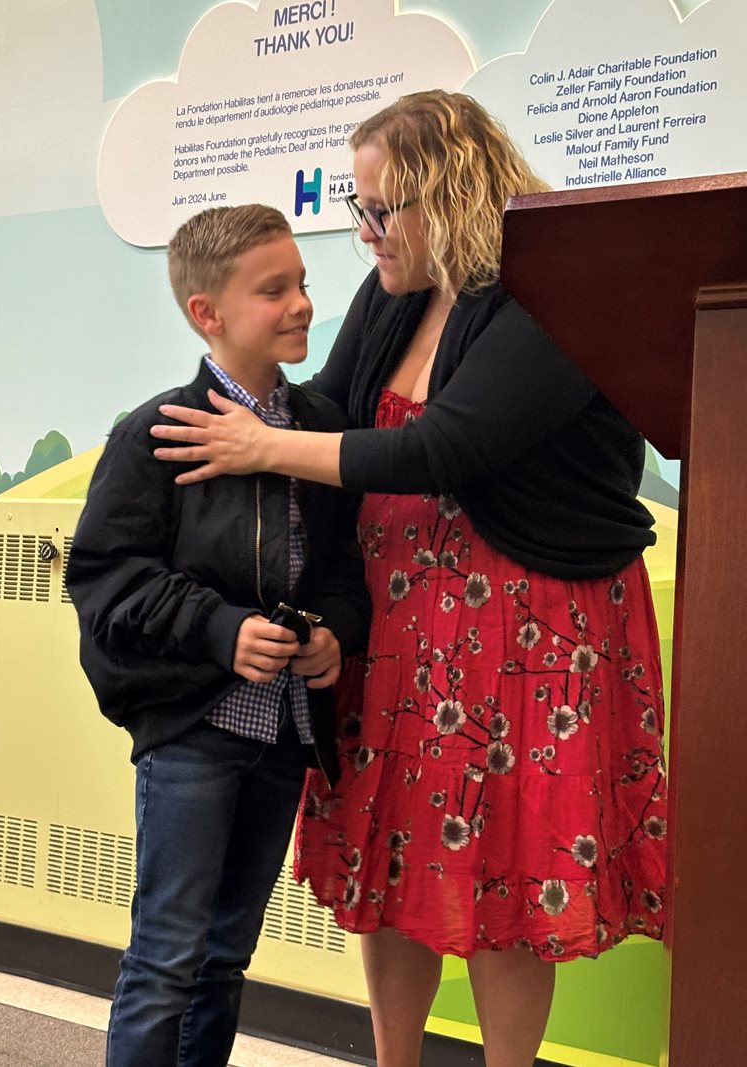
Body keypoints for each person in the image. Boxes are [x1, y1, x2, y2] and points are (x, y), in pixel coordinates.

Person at [149, 91, 668, 1067]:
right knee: (392, 861)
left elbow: (446, 445)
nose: (366, 232)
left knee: (509, 872)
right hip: (393, 626)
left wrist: (262, 439)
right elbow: (333, 408)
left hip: (528, 628)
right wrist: (229, 376)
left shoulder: (555, 288)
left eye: (380, 209)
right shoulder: (393, 293)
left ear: (449, 192)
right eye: (358, 207)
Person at [65, 203, 369, 1067]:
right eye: (274, 289)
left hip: (281, 738)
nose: (302, 303)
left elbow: (346, 571)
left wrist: (333, 635)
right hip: (193, 735)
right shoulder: (155, 433)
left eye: (302, 282)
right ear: (209, 313)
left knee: (226, 958)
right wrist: (219, 628)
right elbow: (105, 577)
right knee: (166, 958)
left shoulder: (318, 428)